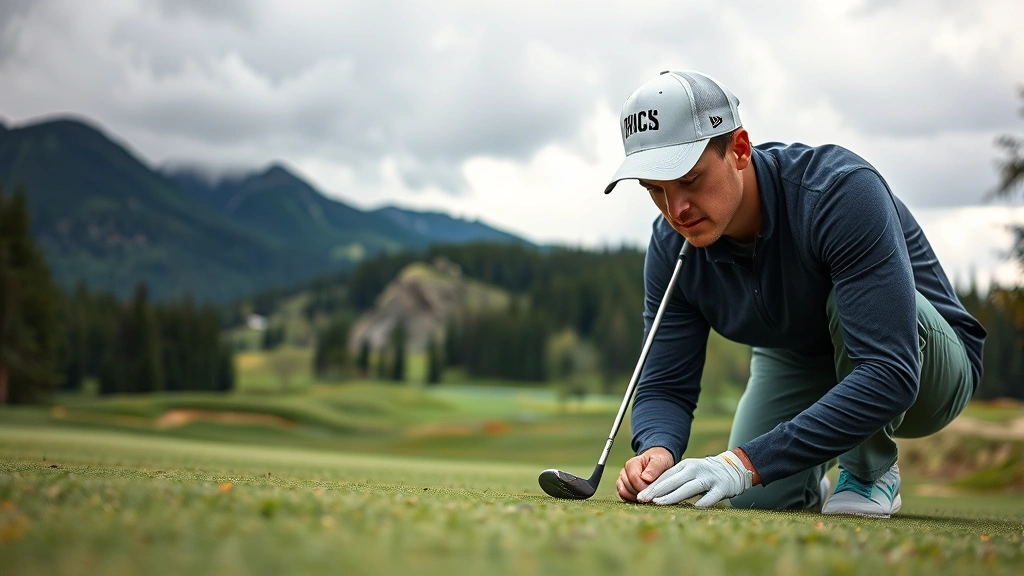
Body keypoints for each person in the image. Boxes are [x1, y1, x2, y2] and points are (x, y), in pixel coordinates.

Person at [605, 70, 986, 517]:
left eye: (689, 180)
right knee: (754, 498)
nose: (677, 210)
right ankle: (812, 486)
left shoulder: (839, 192)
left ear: (740, 150)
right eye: (656, 190)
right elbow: (666, 383)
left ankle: (867, 473)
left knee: (751, 461)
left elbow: (888, 370)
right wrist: (658, 449)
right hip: (798, 357)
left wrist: (743, 462)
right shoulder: (672, 246)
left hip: (923, 366)